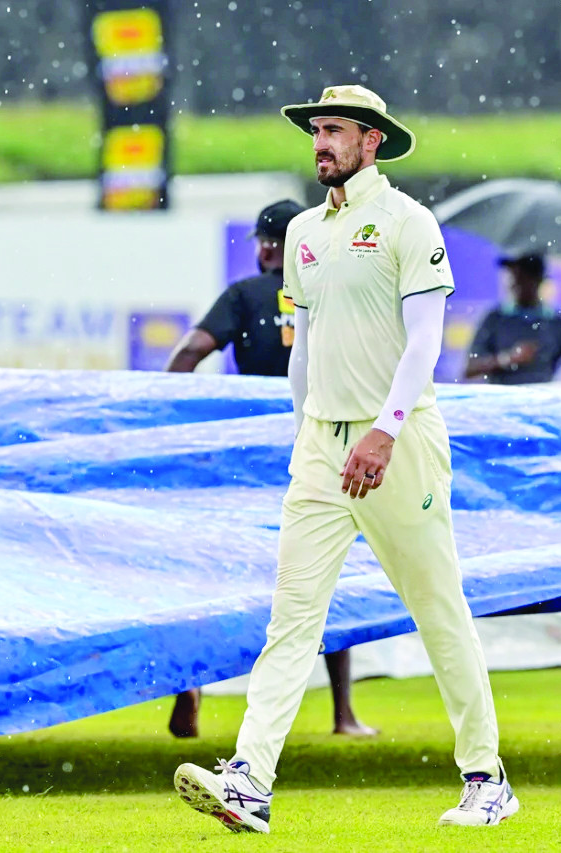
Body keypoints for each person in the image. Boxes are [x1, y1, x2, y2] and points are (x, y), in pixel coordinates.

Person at [174, 85, 517, 832]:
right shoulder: (302, 232)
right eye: (316, 130)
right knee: (291, 619)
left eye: (334, 130)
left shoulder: (407, 221)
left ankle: (487, 776)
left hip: (399, 443)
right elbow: (303, 349)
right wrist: (307, 432)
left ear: (372, 141)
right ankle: (250, 781)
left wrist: (384, 430)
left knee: (437, 608)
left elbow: (425, 342)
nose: (320, 141)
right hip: (322, 449)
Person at [163, 199, 377, 740]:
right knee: (327, 575)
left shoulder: (244, 295)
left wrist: (172, 423)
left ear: (266, 246)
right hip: (316, 451)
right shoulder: (329, 291)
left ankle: (190, 685)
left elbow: (189, 355)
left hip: (245, 465)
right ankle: (343, 713)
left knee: (211, 573)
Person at [464, 248, 561, 383]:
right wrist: (508, 359)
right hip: (502, 405)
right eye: (512, 277)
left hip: (541, 405)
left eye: (521, 278)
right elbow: (469, 369)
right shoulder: (495, 318)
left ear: (538, 281)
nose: (513, 284)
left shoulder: (556, 321)